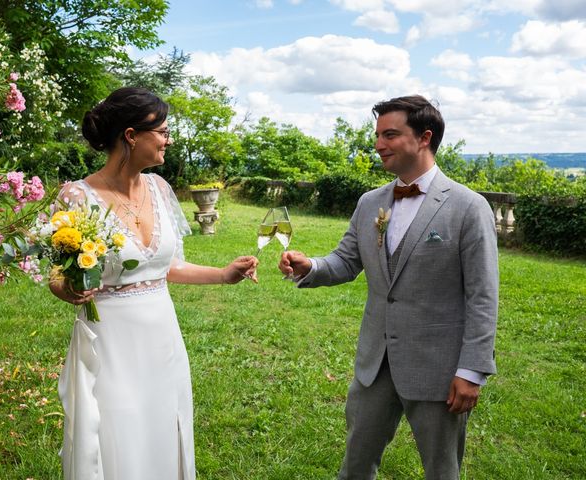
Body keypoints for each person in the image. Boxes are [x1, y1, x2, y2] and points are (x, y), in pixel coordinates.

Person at [279, 95, 498, 479]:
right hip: (374, 365)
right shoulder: (370, 204)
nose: (379, 144)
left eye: (390, 134)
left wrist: (473, 370)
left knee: (442, 469)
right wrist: (309, 266)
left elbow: (482, 296)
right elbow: (346, 262)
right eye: (378, 134)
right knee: (356, 463)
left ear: (424, 137)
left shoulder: (468, 207)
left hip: (439, 370)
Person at [49, 87, 258, 480]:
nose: (168, 139)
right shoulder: (76, 196)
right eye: (162, 131)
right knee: (117, 433)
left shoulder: (160, 189)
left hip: (163, 340)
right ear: (132, 136)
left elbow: (166, 266)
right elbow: (57, 275)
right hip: (109, 341)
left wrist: (224, 275)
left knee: (165, 427)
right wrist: (69, 289)